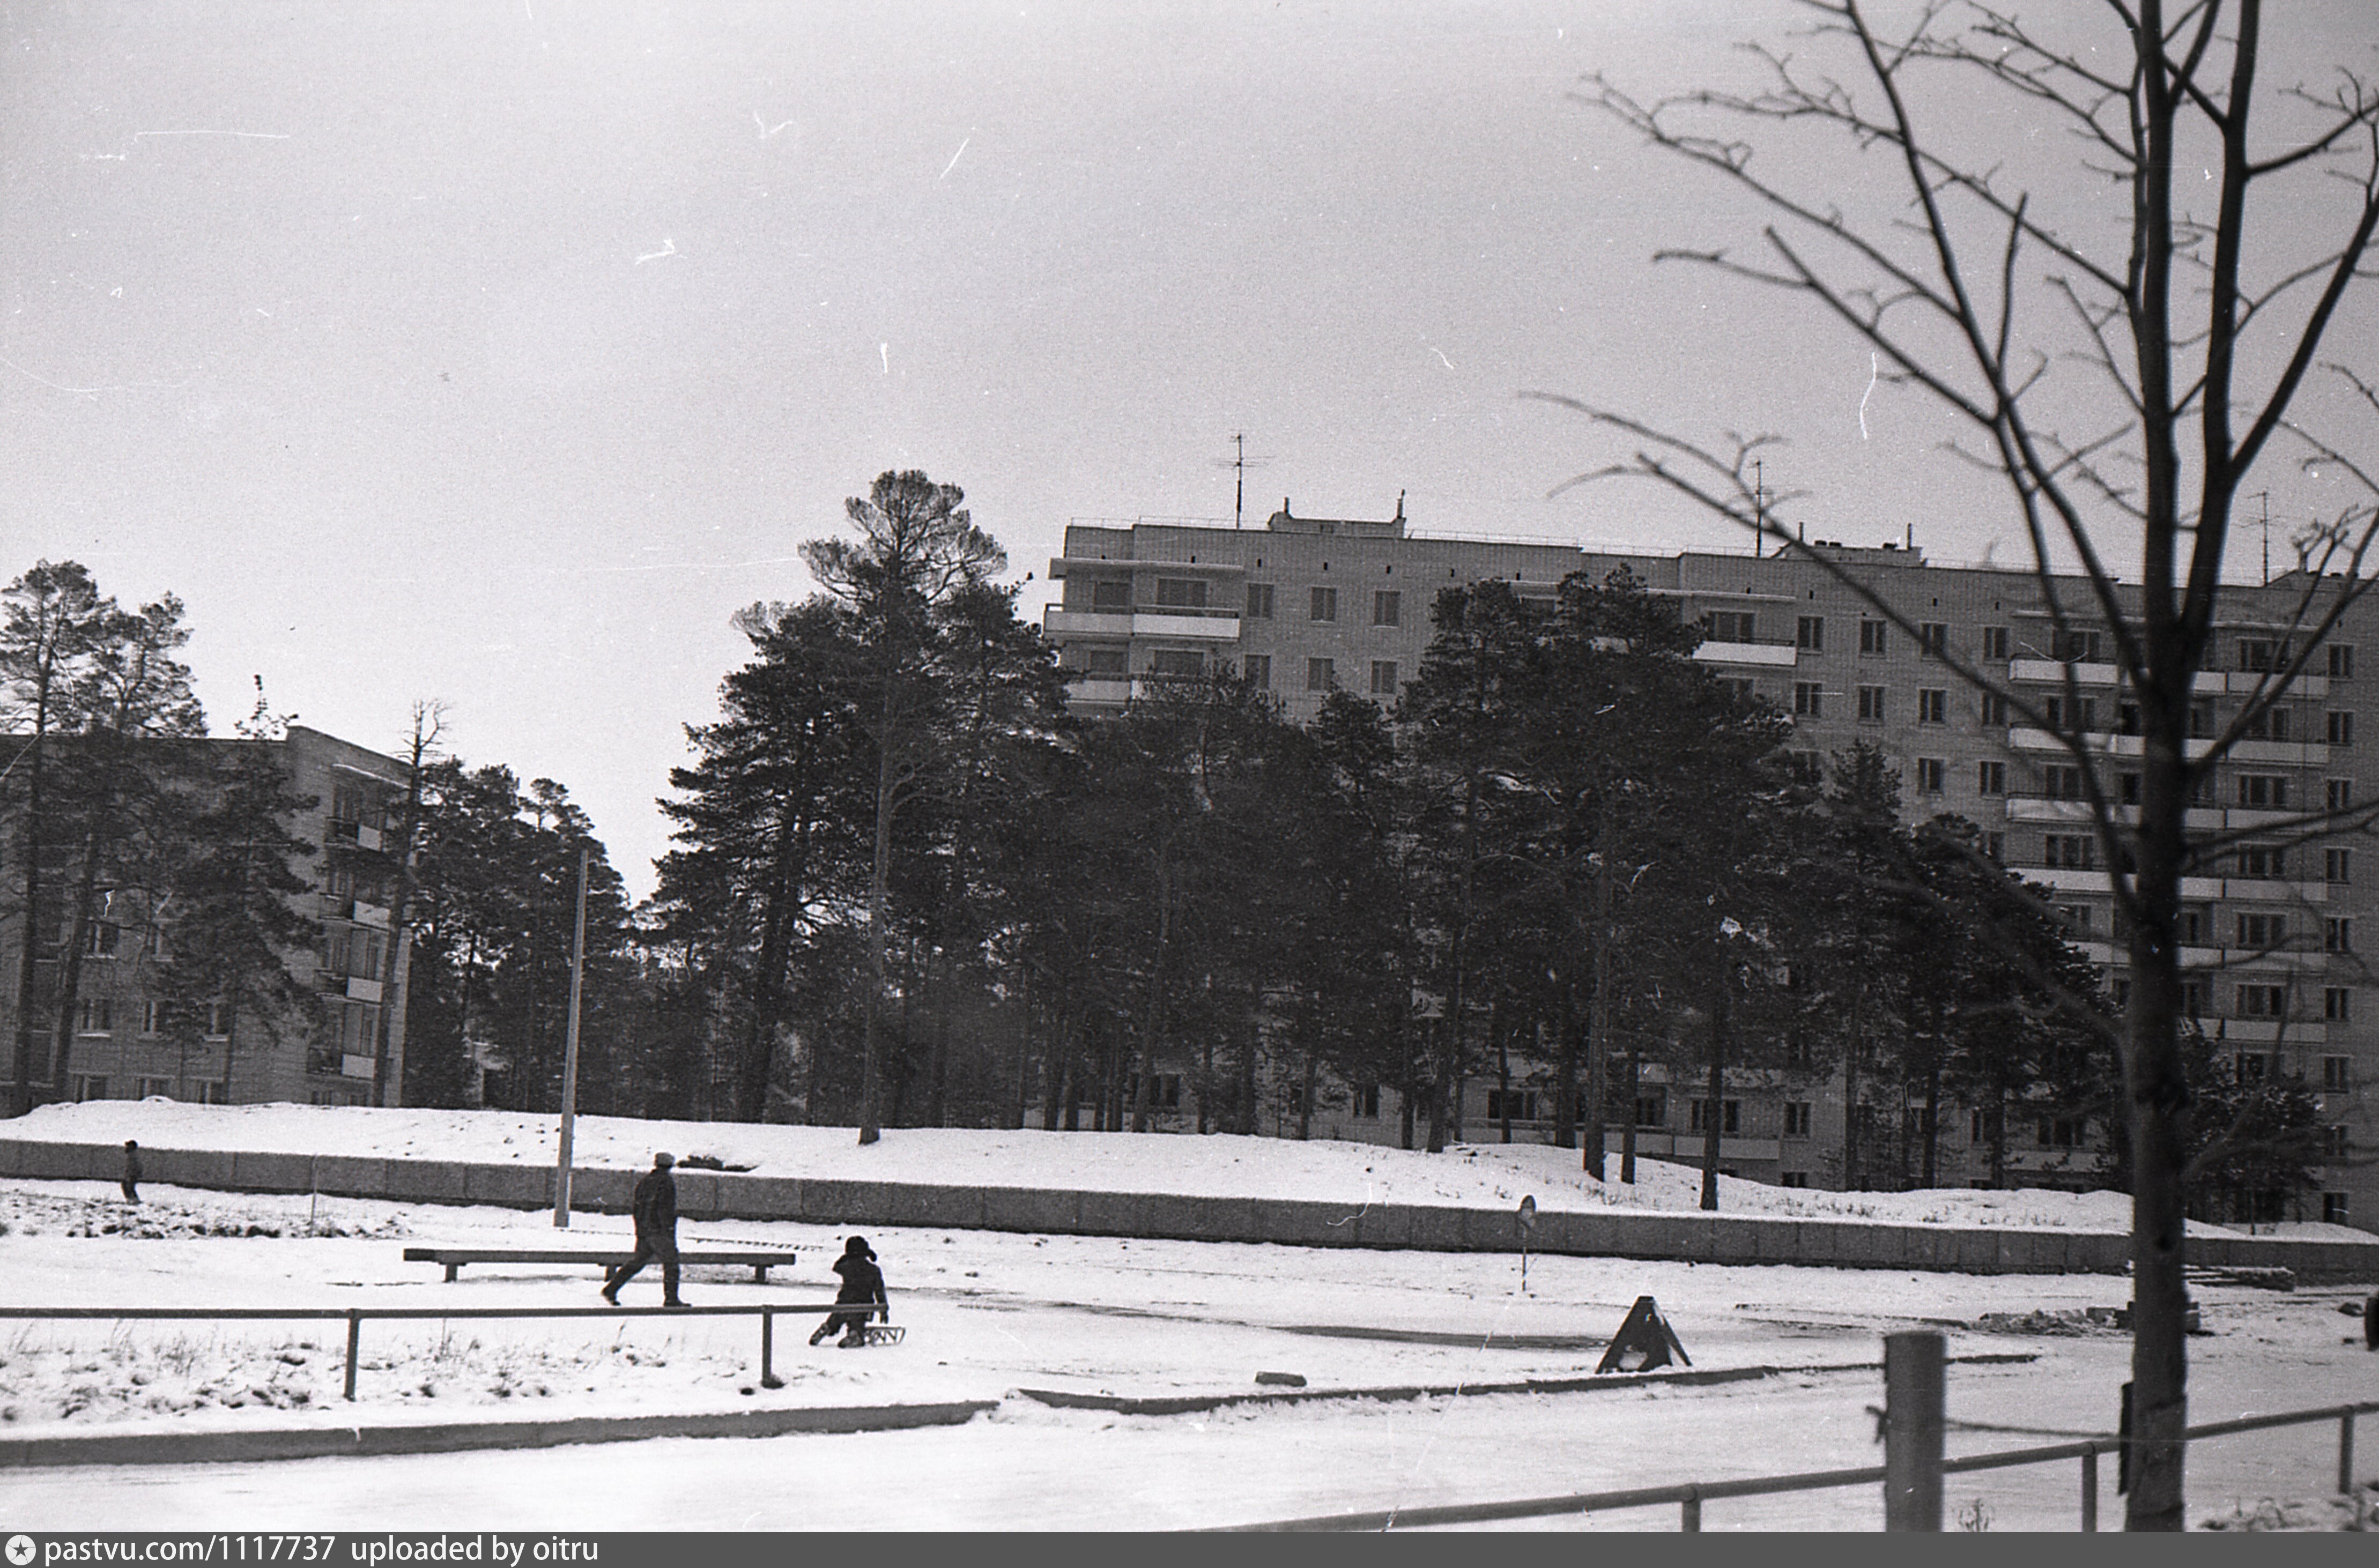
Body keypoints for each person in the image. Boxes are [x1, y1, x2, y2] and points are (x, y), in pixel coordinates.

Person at [603, 1151, 684, 1306]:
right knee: (671, 1263)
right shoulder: (666, 1182)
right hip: (659, 1231)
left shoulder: (646, 1181)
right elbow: (665, 1209)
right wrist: (667, 1229)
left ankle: (611, 1288)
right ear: (670, 1165)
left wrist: (641, 1228)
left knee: (638, 1262)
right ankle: (671, 1298)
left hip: (645, 1230)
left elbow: (637, 1206)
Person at [811, 1236, 888, 1346]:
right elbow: (879, 1290)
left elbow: (836, 1267)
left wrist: (847, 1257)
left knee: (837, 1317)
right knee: (857, 1321)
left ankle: (827, 1328)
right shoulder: (873, 1270)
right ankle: (855, 1335)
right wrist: (883, 1309)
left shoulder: (847, 1267)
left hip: (844, 1300)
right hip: (864, 1303)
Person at [121, 1140, 142, 1204]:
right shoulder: (131, 1155)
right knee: (129, 1187)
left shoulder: (132, 1155)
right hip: (130, 1175)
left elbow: (135, 1166)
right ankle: (133, 1200)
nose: (126, 1147)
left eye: (128, 1146)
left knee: (128, 1187)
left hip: (131, 1175)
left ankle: (133, 1201)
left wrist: (131, 1175)